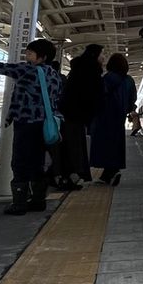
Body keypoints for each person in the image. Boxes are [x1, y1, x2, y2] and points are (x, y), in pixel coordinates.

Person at [0, 37, 63, 215]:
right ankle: (38, 200)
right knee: (37, 162)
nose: (27, 56)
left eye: (31, 53)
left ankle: (19, 204)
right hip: (44, 126)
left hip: (26, 123)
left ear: (42, 57)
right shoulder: (55, 75)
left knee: (20, 162)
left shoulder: (27, 71)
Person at [89, 52, 138, 185]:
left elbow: (98, 96)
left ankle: (109, 173)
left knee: (104, 145)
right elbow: (132, 100)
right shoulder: (129, 80)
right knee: (116, 144)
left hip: (104, 117)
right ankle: (111, 172)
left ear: (110, 65)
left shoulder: (108, 78)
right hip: (119, 118)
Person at [58, 43, 103, 188]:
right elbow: (92, 95)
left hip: (70, 114)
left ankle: (67, 178)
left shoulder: (78, 69)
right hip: (76, 115)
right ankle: (65, 179)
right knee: (74, 148)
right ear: (94, 55)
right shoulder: (90, 71)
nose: (103, 57)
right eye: (101, 54)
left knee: (70, 147)